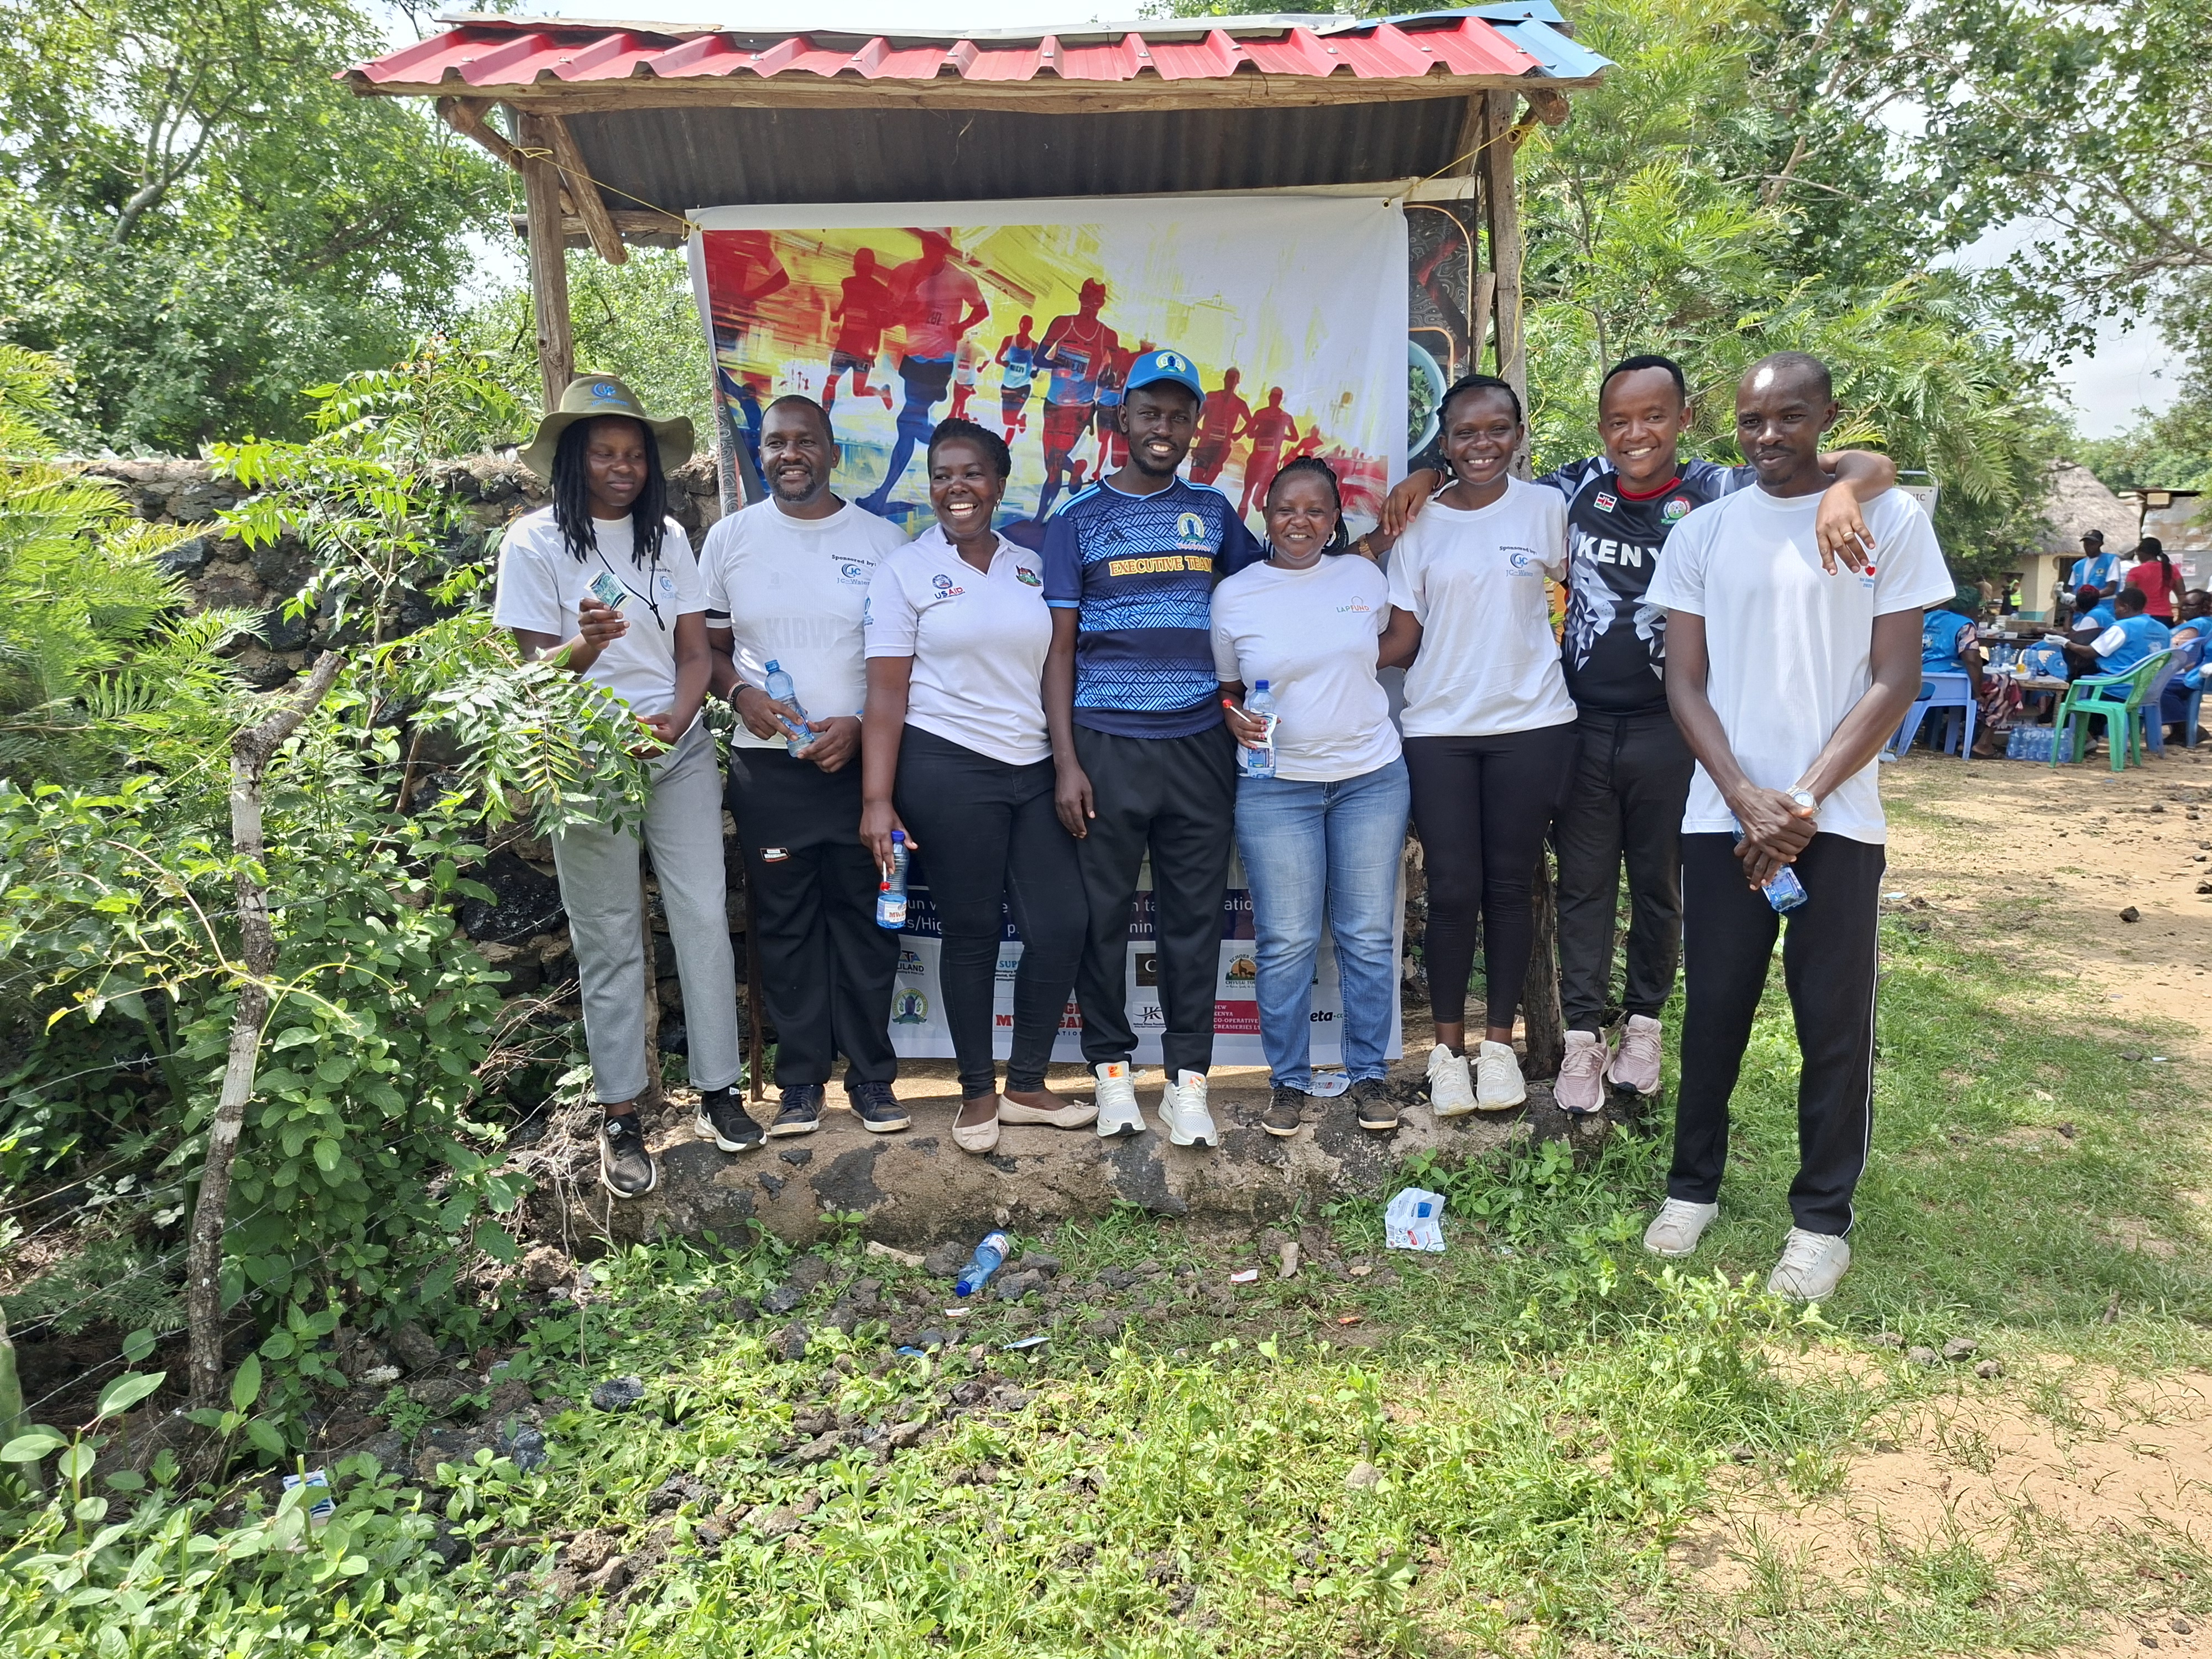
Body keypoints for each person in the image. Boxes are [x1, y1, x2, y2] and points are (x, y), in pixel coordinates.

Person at [1378, 354, 1897, 1115]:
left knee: (1659, 885)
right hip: (1582, 724)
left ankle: (1644, 1028)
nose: (1636, 433)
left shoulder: (1721, 491)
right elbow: (1477, 488)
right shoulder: (1570, 489)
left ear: (1684, 420)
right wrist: (1424, 478)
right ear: (1600, 428)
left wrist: (1847, 487)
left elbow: (1865, 462)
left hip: (1676, 725)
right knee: (1583, 886)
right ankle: (1583, 1039)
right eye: (1619, 420)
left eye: (1654, 416)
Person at [1642, 351, 1953, 1302]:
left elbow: (1895, 680)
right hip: (1721, 815)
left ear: (1827, 417)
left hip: (1838, 821)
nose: (1769, 436)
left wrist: (1805, 799)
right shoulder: (1703, 533)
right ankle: (1690, 1191)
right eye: (1751, 420)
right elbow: (1682, 681)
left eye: (1789, 417)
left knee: (1833, 1029)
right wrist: (1743, 794)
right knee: (1716, 1016)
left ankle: (1822, 1224)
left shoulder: (1886, 519)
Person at [494, 375, 744, 1198]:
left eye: (634, 454)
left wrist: (674, 723)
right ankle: (622, 1115)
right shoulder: (532, 544)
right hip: (585, 755)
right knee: (608, 935)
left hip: (673, 747)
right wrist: (586, 648)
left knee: (702, 914)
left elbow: (697, 655)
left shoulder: (666, 537)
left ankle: (718, 1091)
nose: (621, 467)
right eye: (603, 452)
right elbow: (535, 679)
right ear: (572, 457)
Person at [1044, 349, 1266, 1147]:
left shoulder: (1212, 513)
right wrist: (1066, 761)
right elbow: (1062, 650)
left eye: (1177, 416)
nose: (1162, 429)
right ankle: (1112, 1078)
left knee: (1193, 923)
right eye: (1148, 414)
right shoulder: (1076, 519)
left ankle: (1188, 1085)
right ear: (1121, 421)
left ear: (1194, 427)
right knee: (1103, 919)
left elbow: (1265, 602)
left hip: (1200, 747)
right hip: (1105, 746)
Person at [860, 419, 1095, 1153]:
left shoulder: (1032, 565)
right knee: (971, 932)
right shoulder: (903, 571)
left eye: (971, 474)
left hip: (1030, 767)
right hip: (945, 765)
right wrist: (877, 800)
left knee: (1061, 924)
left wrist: (1065, 761)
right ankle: (974, 1092)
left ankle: (1026, 1084)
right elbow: (886, 696)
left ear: (998, 482)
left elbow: (1058, 660)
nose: (955, 488)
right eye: (941, 475)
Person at [703, 395, 913, 1138]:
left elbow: (902, 662)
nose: (789, 455)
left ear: (831, 452)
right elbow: (707, 649)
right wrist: (738, 694)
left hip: (865, 770)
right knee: (785, 925)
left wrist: (859, 728)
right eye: (774, 443)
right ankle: (799, 1084)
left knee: (865, 922)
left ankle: (873, 1080)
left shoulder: (885, 542)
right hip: (770, 769)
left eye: (805, 442)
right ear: (758, 455)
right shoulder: (729, 539)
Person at [1375, 373, 1576, 1116]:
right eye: (1465, 433)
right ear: (1445, 438)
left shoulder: (1548, 508)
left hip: (1533, 724)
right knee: (1453, 890)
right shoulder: (1421, 523)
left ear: (1519, 433)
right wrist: (1317, 656)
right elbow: (1402, 636)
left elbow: (1586, 595)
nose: (1482, 444)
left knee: (1510, 885)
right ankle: (1447, 1055)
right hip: (1439, 729)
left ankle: (1501, 1050)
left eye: (1497, 429)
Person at [1213, 457, 1408, 1137]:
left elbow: (1393, 644)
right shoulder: (1235, 594)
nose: (1300, 521)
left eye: (1316, 510)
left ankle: (1369, 1076)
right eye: (1287, 508)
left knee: (1366, 935)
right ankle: (1288, 1083)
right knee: (1288, 940)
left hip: (1370, 779)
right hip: (1277, 789)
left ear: (1334, 520)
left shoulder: (1361, 576)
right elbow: (1227, 686)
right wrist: (1230, 713)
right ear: (1265, 513)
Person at [862, 232, 989, 513]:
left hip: (939, 361)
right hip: (913, 358)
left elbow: (982, 310)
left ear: (945, 248)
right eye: (928, 243)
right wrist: (894, 313)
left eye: (938, 245)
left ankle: (884, 494)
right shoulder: (904, 273)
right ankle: (959, 447)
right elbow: (892, 315)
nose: (932, 249)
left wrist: (962, 326)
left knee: (906, 423)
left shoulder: (961, 279)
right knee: (908, 428)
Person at [1035, 280, 1118, 521]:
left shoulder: (1107, 336)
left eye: (1097, 300)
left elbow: (1114, 372)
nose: (1091, 304)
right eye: (1088, 298)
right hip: (1053, 404)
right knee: (1050, 462)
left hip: (1079, 409)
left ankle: (1040, 519)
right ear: (1080, 298)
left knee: (1053, 466)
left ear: (1102, 303)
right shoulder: (1063, 324)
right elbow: (1039, 358)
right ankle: (1075, 468)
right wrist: (1060, 364)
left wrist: (1106, 376)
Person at [1916, 583, 2017, 757]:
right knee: (2006, 684)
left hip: (1921, 677)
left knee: (1984, 685)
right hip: (1949, 680)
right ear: (1971, 608)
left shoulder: (1926, 618)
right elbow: (1971, 660)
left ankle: (1946, 735)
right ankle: (1983, 744)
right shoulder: (1964, 624)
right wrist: (1977, 692)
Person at [823, 247, 896, 415]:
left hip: (857, 348)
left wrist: (837, 314)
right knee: (846, 387)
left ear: (855, 265)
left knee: (844, 386)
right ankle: (825, 415)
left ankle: (825, 415)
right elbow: (845, 304)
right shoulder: (854, 285)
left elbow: (882, 320)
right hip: (857, 348)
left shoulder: (869, 288)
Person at [2060, 583, 2172, 679]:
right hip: (2147, 688)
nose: (2115, 613)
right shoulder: (2164, 629)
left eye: (2116, 608)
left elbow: (2089, 653)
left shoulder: (2123, 627)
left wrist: (2065, 643)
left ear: (2125, 608)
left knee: (2077, 677)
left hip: (2117, 685)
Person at [1237, 388, 1300, 522]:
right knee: (1246, 494)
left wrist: (1281, 437)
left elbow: (1295, 437)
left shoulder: (1285, 417)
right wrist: (1257, 434)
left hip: (1270, 464)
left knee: (1256, 498)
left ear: (1280, 400)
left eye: (1277, 398)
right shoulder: (1261, 414)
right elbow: (1249, 432)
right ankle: (1238, 526)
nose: (1274, 400)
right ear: (1270, 398)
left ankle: (1259, 505)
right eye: (1273, 397)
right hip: (1256, 460)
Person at [1189, 367, 1253, 486]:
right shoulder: (1212, 397)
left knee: (1208, 482)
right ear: (1225, 379)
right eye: (1230, 378)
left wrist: (1238, 434)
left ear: (1238, 382)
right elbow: (1197, 416)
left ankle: (1201, 500)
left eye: (1235, 379)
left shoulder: (1240, 404)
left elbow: (1251, 423)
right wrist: (1196, 430)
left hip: (1222, 447)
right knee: (1194, 479)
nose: (1232, 382)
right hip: (1205, 444)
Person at [995, 317, 1039, 440]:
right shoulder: (1009, 340)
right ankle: (1021, 421)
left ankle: (1006, 448)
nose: (1025, 327)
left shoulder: (1034, 345)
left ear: (1031, 327)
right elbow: (997, 359)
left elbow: (1039, 363)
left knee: (1010, 422)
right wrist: (1003, 363)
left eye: (1028, 325)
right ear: (1020, 324)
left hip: (1023, 387)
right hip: (1007, 385)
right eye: (1023, 324)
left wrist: (1035, 373)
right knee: (1007, 421)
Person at [2126, 536, 2184, 620]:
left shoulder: (2135, 572)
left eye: (2138, 553)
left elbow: (2129, 596)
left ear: (2143, 553)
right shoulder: (2172, 569)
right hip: (2166, 617)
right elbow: (2182, 595)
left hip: (2143, 618)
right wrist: (2180, 618)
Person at [2069, 529, 2122, 596]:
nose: (2088, 547)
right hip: (2082, 606)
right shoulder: (2078, 566)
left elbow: (2111, 588)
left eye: (2092, 544)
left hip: (2104, 605)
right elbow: (2073, 589)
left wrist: (2089, 598)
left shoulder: (2111, 560)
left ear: (2100, 544)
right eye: (2086, 544)